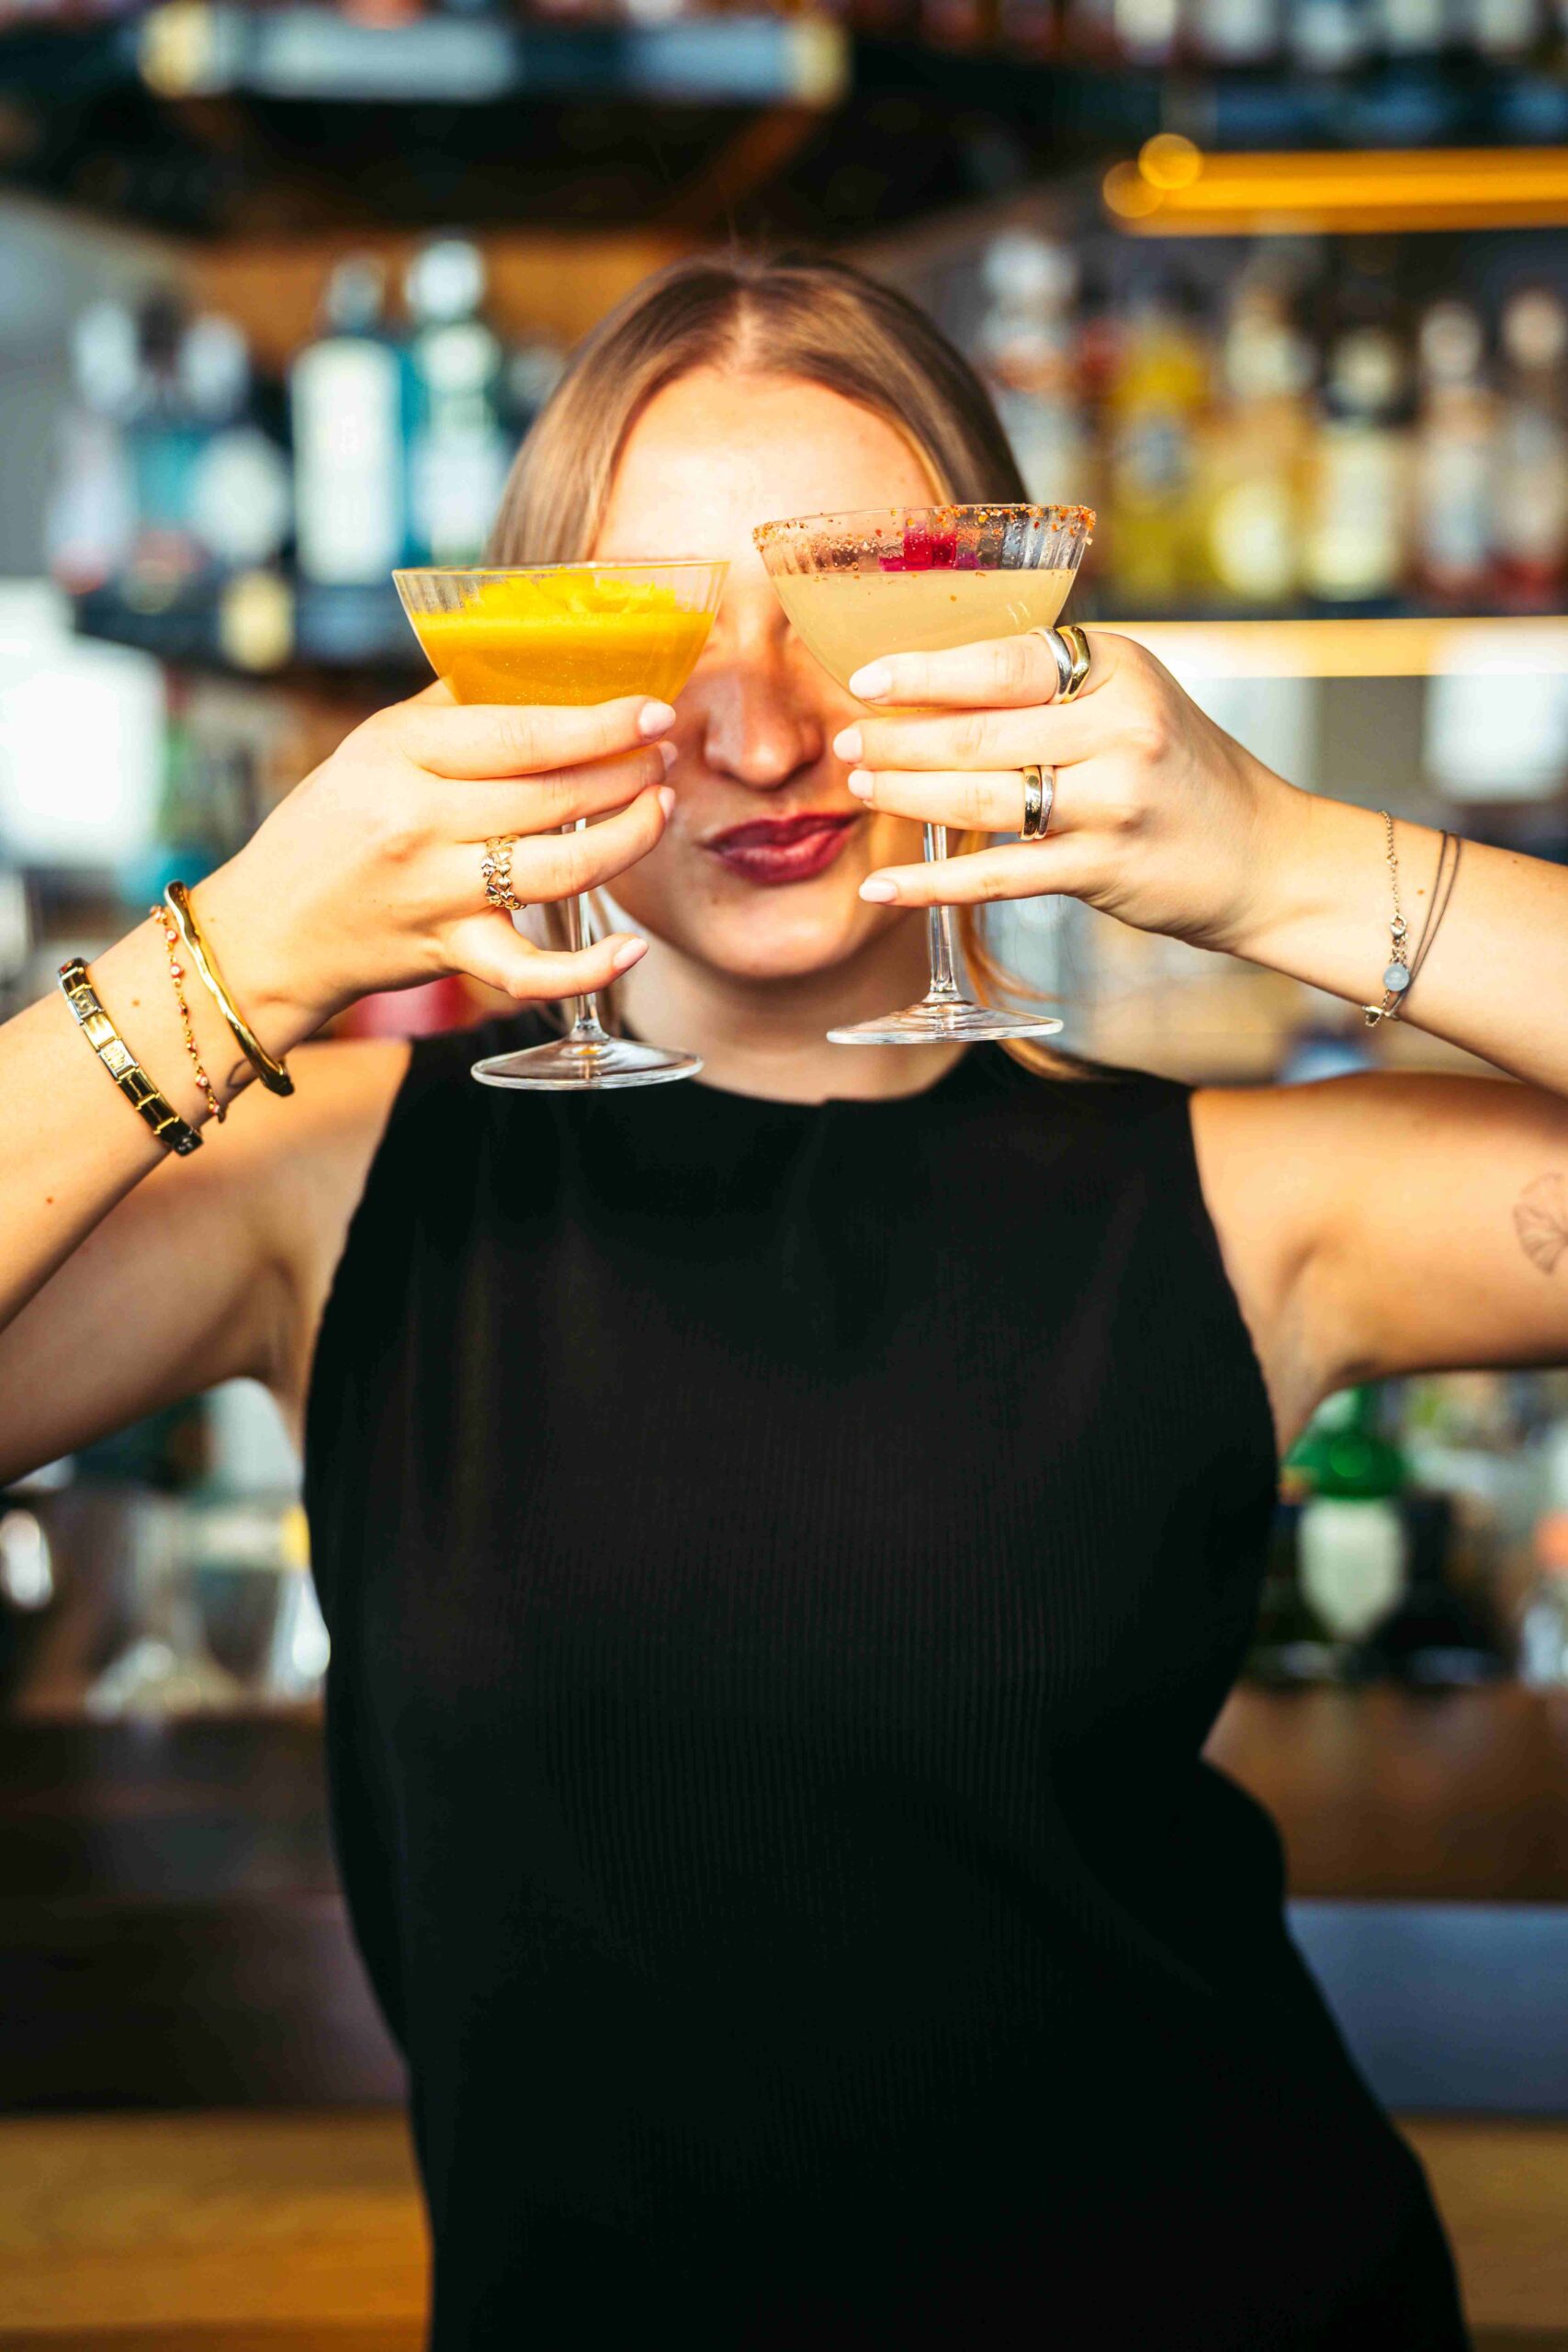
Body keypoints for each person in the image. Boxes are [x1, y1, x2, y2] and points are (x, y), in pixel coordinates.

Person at [3, 251, 1565, 2350]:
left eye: (854, 599)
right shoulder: (332, 1173)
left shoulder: (1232, 1191)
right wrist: (250, 946)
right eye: (665, 625)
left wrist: (1275, 859)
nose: (759, 727)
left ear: (997, 634)